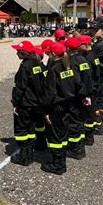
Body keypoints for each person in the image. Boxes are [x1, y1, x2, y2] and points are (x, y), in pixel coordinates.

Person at [40, 42, 85, 175]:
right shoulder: (68, 66)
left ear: (53, 54)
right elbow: (78, 84)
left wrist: (46, 110)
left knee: (55, 137)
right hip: (68, 105)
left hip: (56, 107)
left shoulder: (54, 69)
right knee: (63, 134)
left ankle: (57, 165)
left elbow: (50, 93)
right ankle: (61, 160)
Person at [10, 40, 47, 166]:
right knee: (31, 129)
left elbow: (20, 87)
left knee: (22, 130)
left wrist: (15, 103)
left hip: (25, 104)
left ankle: (24, 157)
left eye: (18, 51)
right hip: (36, 103)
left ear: (23, 53)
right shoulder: (36, 63)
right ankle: (30, 153)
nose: (16, 53)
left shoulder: (25, 66)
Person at [64, 37, 93, 159]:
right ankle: (79, 146)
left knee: (74, 123)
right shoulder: (84, 60)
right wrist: (87, 94)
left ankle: (76, 150)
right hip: (84, 94)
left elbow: (75, 81)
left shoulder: (71, 62)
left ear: (69, 49)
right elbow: (89, 78)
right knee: (80, 122)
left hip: (76, 97)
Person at [89, 21, 103, 134]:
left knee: (99, 100)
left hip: (100, 76)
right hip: (100, 75)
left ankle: (100, 125)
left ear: (102, 31)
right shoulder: (99, 43)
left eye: (95, 30)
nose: (93, 32)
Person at [77, 34, 99, 146]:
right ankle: (90, 133)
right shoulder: (93, 55)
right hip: (94, 87)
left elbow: (87, 77)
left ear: (85, 45)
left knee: (88, 114)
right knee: (91, 112)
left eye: (79, 45)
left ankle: (89, 137)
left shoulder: (87, 58)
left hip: (90, 89)